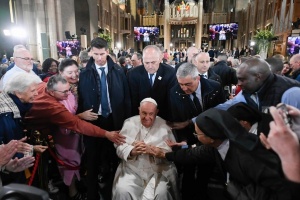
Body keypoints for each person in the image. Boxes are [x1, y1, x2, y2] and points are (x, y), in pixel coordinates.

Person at [150, 108, 296, 200]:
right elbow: (194, 154)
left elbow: (279, 188)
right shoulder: (220, 143)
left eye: (197, 134)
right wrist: (165, 155)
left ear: (211, 137)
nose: (196, 136)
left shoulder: (247, 155)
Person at [77, 37, 131, 200]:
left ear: (107, 52)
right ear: (91, 53)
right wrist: (82, 116)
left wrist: (126, 123)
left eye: (102, 53)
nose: (99, 57)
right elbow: (81, 99)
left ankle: (114, 193)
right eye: (96, 54)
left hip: (114, 120)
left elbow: (126, 98)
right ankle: (92, 195)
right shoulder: (85, 73)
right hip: (94, 120)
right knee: (92, 159)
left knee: (115, 158)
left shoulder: (118, 70)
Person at [168, 62, 225, 200]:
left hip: (210, 138)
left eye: (188, 84)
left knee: (205, 172)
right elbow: (177, 121)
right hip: (188, 138)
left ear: (197, 78)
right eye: (181, 84)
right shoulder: (174, 92)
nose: (184, 88)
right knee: (188, 171)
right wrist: (183, 141)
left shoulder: (215, 88)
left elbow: (220, 113)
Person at [112, 98, 179, 200]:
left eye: (151, 114)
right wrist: (131, 151)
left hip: (158, 170)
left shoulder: (165, 125)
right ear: (139, 110)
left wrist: (154, 151)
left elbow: (171, 152)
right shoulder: (129, 122)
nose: (147, 117)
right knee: (123, 190)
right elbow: (119, 147)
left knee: (162, 192)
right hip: (132, 169)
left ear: (156, 112)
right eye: (144, 113)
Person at [55, 59, 97, 200]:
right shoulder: (58, 91)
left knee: (79, 159)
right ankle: (73, 194)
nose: (74, 75)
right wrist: (81, 116)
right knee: (69, 162)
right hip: (66, 134)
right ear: (60, 73)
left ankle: (78, 186)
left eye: (76, 71)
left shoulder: (78, 86)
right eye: (69, 72)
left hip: (79, 130)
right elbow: (61, 118)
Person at [0, 72, 46, 185]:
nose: (36, 94)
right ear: (18, 93)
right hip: (9, 172)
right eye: (32, 91)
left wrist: (31, 148)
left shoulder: (15, 104)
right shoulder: (5, 114)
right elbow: (10, 144)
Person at [216, 58, 300, 110]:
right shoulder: (250, 89)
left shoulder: (290, 93)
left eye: (242, 79)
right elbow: (228, 105)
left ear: (258, 77)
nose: (239, 84)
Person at [127, 45, 176, 121]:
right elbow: (133, 101)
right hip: (140, 118)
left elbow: (171, 102)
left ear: (160, 59)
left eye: (153, 62)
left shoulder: (170, 73)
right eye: (146, 63)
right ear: (142, 60)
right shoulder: (133, 74)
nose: (150, 66)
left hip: (163, 119)